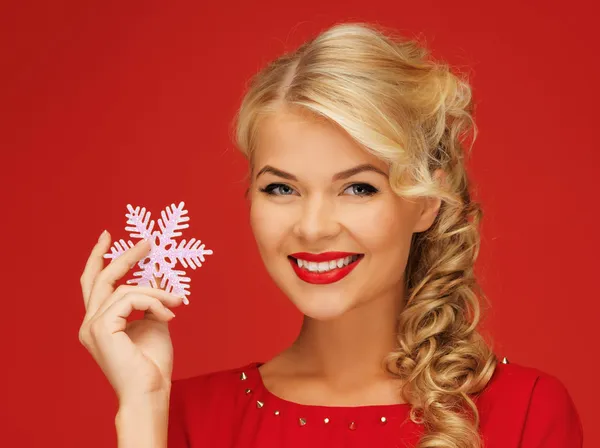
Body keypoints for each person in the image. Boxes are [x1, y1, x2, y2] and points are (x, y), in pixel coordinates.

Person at [78, 22, 583, 448]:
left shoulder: (525, 414)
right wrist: (142, 410)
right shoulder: (181, 415)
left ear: (427, 202)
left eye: (359, 188)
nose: (313, 227)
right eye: (281, 188)